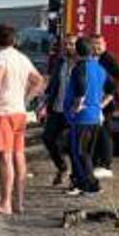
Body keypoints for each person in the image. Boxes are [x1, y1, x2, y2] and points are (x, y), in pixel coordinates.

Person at [0, 24, 45, 216]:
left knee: (4, 158)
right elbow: (38, 81)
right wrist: (25, 99)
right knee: (19, 156)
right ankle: (18, 201)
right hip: (19, 112)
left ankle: (5, 203)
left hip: (3, 111)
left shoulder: (0, 58)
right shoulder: (22, 58)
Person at [64, 37, 109, 196]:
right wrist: (99, 105)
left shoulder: (80, 68)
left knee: (80, 152)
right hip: (95, 116)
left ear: (77, 50)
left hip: (82, 117)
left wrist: (77, 106)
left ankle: (92, 186)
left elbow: (81, 87)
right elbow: (110, 90)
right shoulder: (100, 68)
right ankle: (82, 183)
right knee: (87, 153)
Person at [41, 35, 78, 186]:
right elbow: (52, 84)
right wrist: (43, 103)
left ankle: (75, 178)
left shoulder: (81, 64)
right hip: (57, 108)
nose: (68, 47)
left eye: (71, 44)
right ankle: (62, 167)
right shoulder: (60, 62)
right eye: (66, 44)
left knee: (71, 145)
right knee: (48, 138)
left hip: (73, 111)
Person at [90, 33, 119, 180]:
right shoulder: (94, 58)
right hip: (96, 101)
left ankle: (106, 164)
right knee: (96, 133)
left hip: (107, 103)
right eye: (94, 44)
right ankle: (96, 161)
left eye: (99, 44)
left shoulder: (108, 58)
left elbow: (117, 75)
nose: (96, 47)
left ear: (104, 44)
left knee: (104, 134)